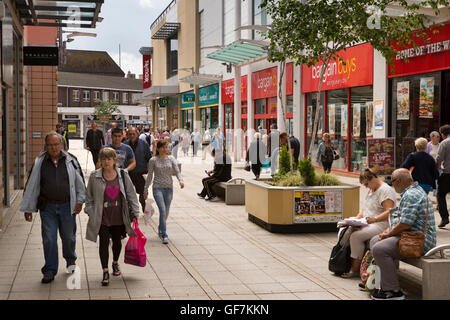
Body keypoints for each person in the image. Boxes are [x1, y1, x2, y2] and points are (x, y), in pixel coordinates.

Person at [20, 131, 86, 284]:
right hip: (48, 207)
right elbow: (31, 186)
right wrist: (28, 208)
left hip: (67, 206)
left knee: (69, 238)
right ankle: (49, 270)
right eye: (50, 145)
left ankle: (71, 261)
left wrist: (80, 201)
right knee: (49, 239)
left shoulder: (71, 160)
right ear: (46, 146)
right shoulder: (39, 162)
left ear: (61, 145)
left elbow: (80, 183)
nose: (54, 148)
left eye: (56, 144)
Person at [369, 168, 436, 300]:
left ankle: (393, 291)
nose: (391, 185)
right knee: (374, 240)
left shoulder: (412, 195)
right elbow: (401, 220)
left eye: (392, 181)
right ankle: (378, 282)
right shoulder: (412, 192)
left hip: (420, 240)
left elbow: (406, 223)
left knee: (380, 248)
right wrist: (388, 231)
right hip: (410, 235)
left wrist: (388, 235)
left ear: (398, 181)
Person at [84, 148, 140, 286]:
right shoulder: (94, 176)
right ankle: (105, 270)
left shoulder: (122, 174)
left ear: (114, 160)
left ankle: (115, 262)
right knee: (103, 243)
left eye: (109, 159)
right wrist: (91, 211)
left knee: (117, 242)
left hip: (118, 216)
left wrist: (136, 211)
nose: (106, 161)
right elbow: (89, 197)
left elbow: (131, 193)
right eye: (103, 159)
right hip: (102, 216)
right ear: (100, 161)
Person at [340, 168, 396, 278]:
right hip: (368, 221)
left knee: (356, 236)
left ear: (373, 179)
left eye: (366, 184)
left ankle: (354, 269)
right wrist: (356, 219)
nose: (366, 187)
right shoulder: (372, 189)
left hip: (381, 223)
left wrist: (375, 219)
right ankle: (344, 263)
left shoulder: (385, 190)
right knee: (344, 230)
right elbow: (365, 208)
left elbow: (390, 211)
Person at [144, 140, 184, 244]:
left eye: (166, 147)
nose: (165, 149)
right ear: (158, 148)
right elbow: (149, 176)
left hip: (169, 188)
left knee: (166, 211)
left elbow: (177, 171)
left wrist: (181, 180)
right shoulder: (153, 160)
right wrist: (145, 189)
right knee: (162, 210)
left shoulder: (171, 159)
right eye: (163, 147)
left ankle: (161, 227)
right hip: (157, 188)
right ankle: (164, 234)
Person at [124, 127, 151, 212]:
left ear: (137, 134)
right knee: (128, 193)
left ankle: (144, 208)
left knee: (142, 192)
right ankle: (131, 211)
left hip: (141, 172)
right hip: (129, 172)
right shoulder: (125, 144)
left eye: (133, 134)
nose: (132, 136)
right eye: (130, 134)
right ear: (127, 135)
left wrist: (149, 170)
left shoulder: (143, 144)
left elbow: (148, 157)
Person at [436, 124, 450, 228]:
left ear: (443, 134)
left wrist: (436, 171)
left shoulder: (444, 143)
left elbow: (439, 160)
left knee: (440, 195)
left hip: (447, 173)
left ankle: (444, 217)